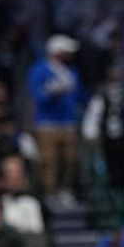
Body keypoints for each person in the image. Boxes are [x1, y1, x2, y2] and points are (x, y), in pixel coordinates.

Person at [26, 34, 83, 201]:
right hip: (47, 122)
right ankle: (49, 193)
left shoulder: (71, 71)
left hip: (68, 121)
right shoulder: (39, 70)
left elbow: (78, 94)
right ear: (57, 52)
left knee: (70, 158)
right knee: (49, 160)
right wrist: (53, 93)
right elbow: (36, 96)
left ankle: (65, 190)